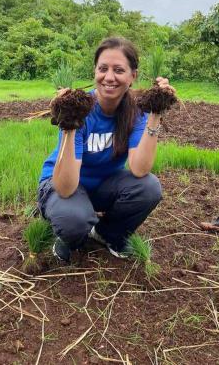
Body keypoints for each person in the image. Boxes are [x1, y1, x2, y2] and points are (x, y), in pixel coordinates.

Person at [37, 36, 174, 263]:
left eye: (119, 70)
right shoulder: (79, 109)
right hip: (62, 184)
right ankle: (69, 233)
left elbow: (140, 169)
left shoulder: (136, 113)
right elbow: (65, 187)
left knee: (149, 187)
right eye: (103, 69)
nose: (109, 77)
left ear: (133, 76)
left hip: (103, 187)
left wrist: (155, 114)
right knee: (73, 220)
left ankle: (106, 233)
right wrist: (70, 124)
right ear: (95, 71)